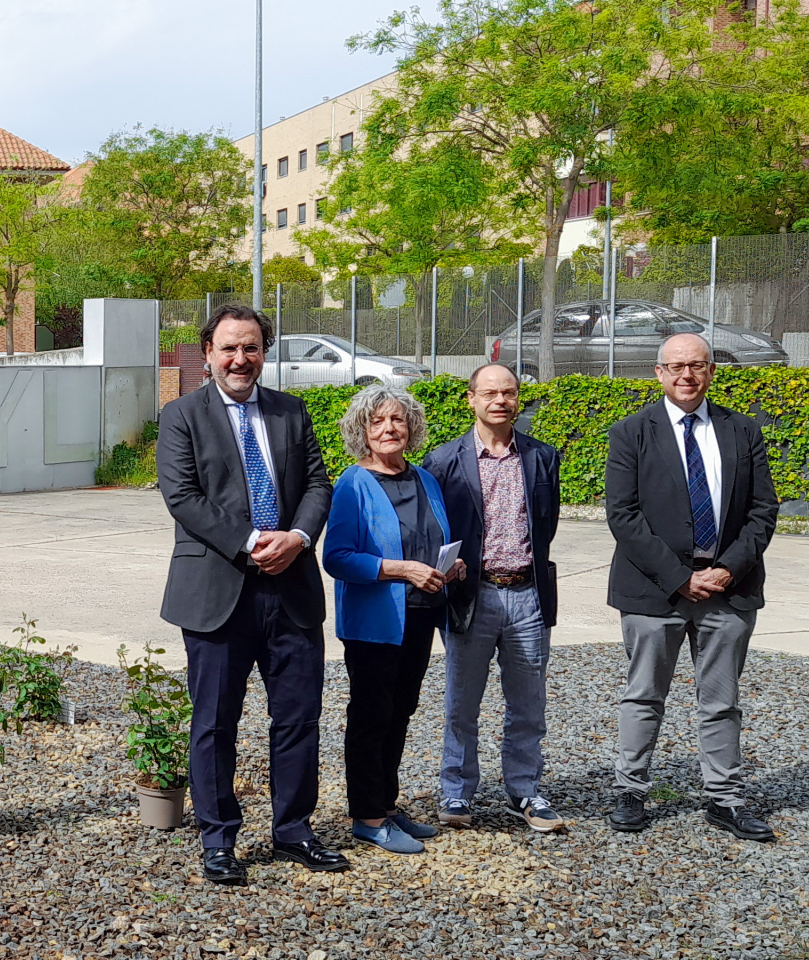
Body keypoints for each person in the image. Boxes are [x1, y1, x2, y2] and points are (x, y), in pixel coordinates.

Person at [157, 303, 345, 886]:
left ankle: (293, 830)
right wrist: (248, 540)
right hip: (218, 593)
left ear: (265, 351)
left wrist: (298, 536)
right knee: (214, 723)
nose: (242, 359)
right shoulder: (181, 415)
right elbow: (182, 496)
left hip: (291, 589)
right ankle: (218, 840)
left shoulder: (291, 411)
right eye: (230, 348)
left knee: (298, 718)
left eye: (253, 347)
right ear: (208, 353)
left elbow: (318, 482)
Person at [605, 333, 778, 841]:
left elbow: (763, 511)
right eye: (676, 366)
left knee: (721, 699)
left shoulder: (742, 430)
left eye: (697, 366)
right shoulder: (631, 432)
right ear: (658, 373)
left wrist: (725, 570)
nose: (687, 375)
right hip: (654, 589)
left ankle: (724, 798)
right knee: (643, 694)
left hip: (729, 586)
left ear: (711, 372)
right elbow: (623, 515)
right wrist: (681, 578)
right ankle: (631, 790)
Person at [422, 363, 566, 833]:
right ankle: (457, 792)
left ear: (518, 399)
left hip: (527, 594)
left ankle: (524, 790)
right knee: (462, 703)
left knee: (528, 704)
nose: (499, 400)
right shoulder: (443, 461)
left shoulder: (542, 457)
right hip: (473, 596)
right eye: (489, 393)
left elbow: (547, 523)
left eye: (508, 392)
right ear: (471, 399)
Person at [322, 384, 465, 854]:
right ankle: (367, 816)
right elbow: (337, 558)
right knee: (371, 716)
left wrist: (450, 567)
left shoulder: (424, 479)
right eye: (378, 421)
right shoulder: (353, 483)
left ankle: (385, 802)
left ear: (411, 428)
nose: (389, 429)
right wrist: (401, 570)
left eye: (398, 420)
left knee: (400, 712)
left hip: (422, 616)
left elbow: (432, 538)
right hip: (375, 622)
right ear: (362, 430)